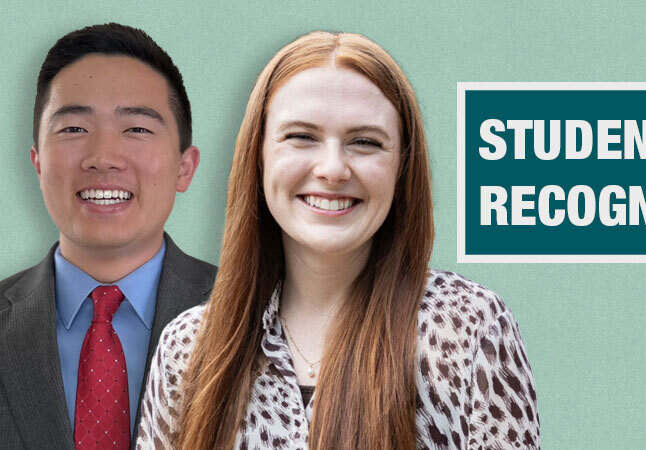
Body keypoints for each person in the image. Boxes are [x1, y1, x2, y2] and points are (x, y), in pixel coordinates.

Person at [137, 31, 540, 449]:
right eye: (301, 136)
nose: (332, 169)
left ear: (401, 168)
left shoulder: (467, 330)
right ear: (257, 157)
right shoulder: (188, 348)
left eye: (365, 142)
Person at [0, 23, 216, 450]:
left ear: (184, 168)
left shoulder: (259, 318)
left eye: (136, 128)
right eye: (74, 129)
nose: (103, 158)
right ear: (38, 163)